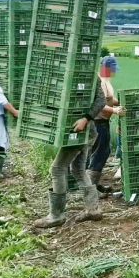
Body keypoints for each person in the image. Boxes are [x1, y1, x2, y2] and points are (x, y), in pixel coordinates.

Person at [35, 79, 106, 228]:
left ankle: (56, 215)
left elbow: (101, 100)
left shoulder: (90, 76)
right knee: (77, 169)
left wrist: (85, 119)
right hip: (84, 132)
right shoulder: (64, 76)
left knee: (57, 169)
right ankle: (93, 209)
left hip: (77, 132)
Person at [87, 56, 125, 197]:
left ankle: (95, 184)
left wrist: (120, 101)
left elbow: (109, 99)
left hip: (104, 122)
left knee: (103, 152)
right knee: (98, 154)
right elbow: (99, 105)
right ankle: (91, 190)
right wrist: (114, 111)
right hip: (97, 123)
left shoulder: (106, 81)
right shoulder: (100, 82)